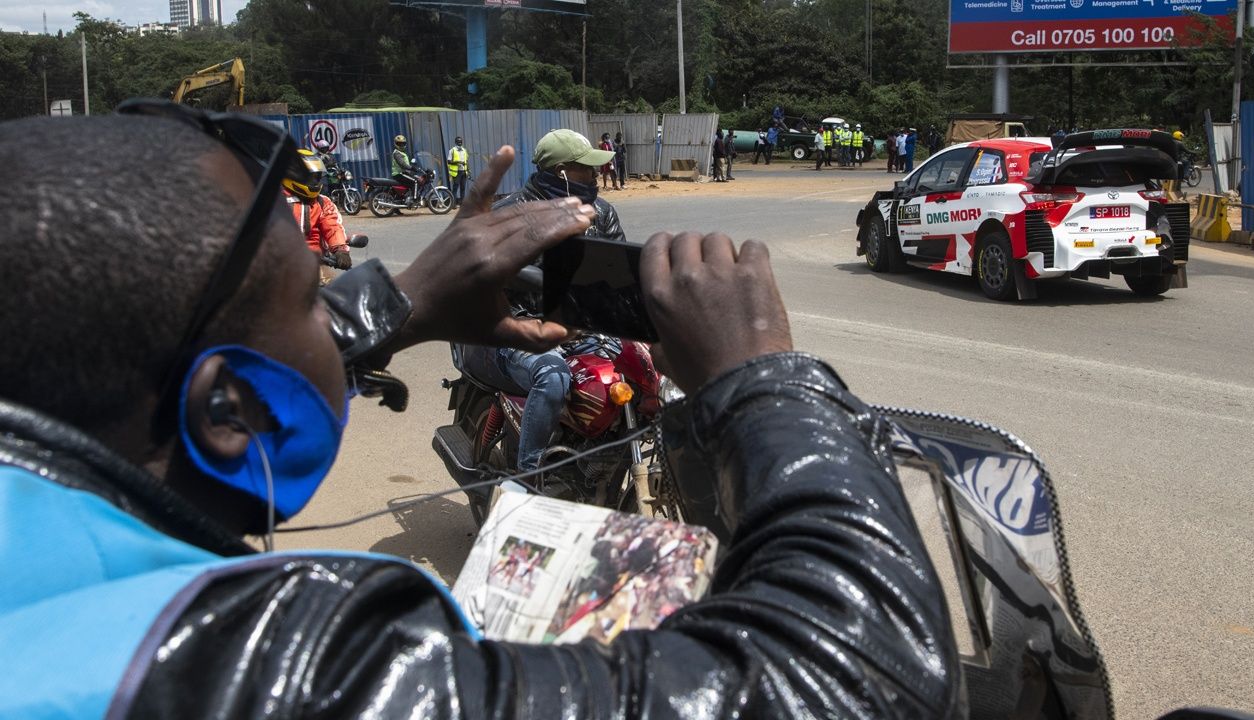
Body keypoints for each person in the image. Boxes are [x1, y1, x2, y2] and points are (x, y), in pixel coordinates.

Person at [1, 106, 960, 719]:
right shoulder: (264, 668)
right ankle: (512, 483)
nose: (327, 313)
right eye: (307, 301)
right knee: (545, 385)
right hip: (521, 368)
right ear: (233, 409)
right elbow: (861, 682)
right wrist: (764, 378)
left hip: (572, 342)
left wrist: (398, 302)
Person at [458, 128, 624, 474]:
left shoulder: (602, 214)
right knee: (552, 376)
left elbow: (618, 276)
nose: (595, 175)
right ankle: (528, 481)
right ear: (560, 172)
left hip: (581, 325)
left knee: (648, 367)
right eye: (586, 168)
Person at [282, 148, 351, 273]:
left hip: (314, 263)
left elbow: (332, 226)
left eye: (317, 177)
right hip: (277, 264)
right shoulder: (272, 200)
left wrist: (340, 249)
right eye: (310, 177)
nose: (314, 181)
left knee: (333, 290)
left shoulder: (322, 202)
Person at [447, 135, 468, 203]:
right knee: (455, 188)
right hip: (456, 172)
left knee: (463, 188)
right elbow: (449, 161)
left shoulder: (464, 150)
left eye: (461, 142)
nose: (460, 143)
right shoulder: (452, 151)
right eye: (458, 142)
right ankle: (453, 203)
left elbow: (466, 161)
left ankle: (462, 203)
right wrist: (458, 162)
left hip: (463, 172)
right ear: (456, 142)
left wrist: (468, 170)